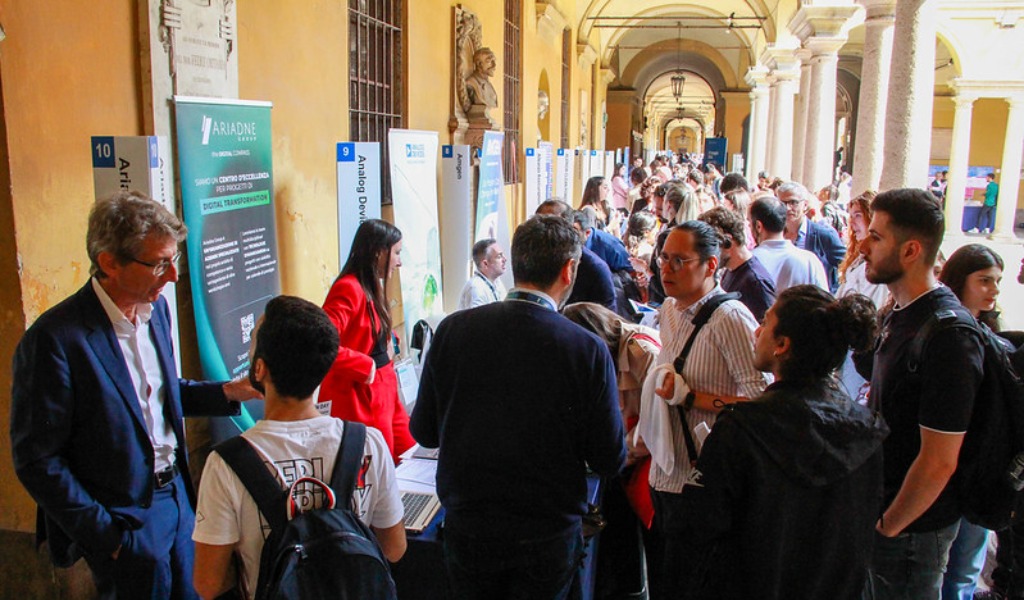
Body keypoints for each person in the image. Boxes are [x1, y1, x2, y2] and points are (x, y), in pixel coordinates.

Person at [11, 191, 259, 599]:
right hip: (123, 517)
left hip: (177, 499)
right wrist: (106, 536)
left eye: (173, 260)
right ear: (109, 262)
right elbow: (37, 459)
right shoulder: (55, 340)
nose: (173, 276)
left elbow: (156, 394)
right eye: (160, 263)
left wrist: (228, 392)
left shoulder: (154, 311)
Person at [410, 215, 626, 600]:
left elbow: (424, 432)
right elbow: (609, 457)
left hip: (468, 529)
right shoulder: (586, 349)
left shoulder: (453, 330)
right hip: (547, 536)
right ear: (569, 269)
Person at [677, 285, 888, 599]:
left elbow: (699, 525)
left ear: (782, 345)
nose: (757, 331)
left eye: (765, 322)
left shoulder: (741, 428)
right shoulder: (866, 429)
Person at [192, 295, 406, 599]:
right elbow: (394, 548)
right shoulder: (367, 442)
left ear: (260, 369)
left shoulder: (226, 462)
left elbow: (209, 582)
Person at [858, 188, 985, 599]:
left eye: (876, 237)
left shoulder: (948, 334)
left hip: (912, 533)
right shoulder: (900, 311)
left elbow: (938, 461)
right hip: (887, 513)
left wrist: (890, 525)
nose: (863, 244)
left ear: (911, 250)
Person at [641, 221, 769, 598]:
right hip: (664, 474)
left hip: (703, 484)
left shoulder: (730, 319)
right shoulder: (667, 309)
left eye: (679, 261)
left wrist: (694, 399)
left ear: (711, 265)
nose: (666, 269)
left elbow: (763, 405)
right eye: (663, 257)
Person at [562, 301, 661, 598]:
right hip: (624, 457)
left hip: (651, 466)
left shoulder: (642, 352)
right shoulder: (599, 354)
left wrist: (617, 452)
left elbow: (656, 426)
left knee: (653, 547)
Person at [937, 244, 1005, 600]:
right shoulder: (945, 332)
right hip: (949, 468)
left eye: (996, 281)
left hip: (980, 466)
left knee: (964, 568)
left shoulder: (992, 336)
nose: (993, 290)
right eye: (984, 281)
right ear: (959, 280)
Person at [320, 219, 415, 462]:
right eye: (396, 253)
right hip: (360, 398)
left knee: (408, 455)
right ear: (378, 252)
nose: (399, 261)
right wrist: (366, 367)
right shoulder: (348, 288)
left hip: (384, 390)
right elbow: (321, 341)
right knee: (376, 467)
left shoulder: (371, 286)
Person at [836, 191, 889, 403]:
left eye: (858, 215)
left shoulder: (879, 267)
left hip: (861, 342)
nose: (852, 222)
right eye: (850, 216)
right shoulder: (858, 258)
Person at [536, 199, 617, 311]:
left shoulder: (595, 269)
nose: (546, 232)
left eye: (553, 226)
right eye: (540, 225)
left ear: (569, 228)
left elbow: (606, 320)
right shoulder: (532, 258)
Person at [699, 206, 776, 322]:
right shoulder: (730, 270)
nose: (706, 254)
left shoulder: (756, 282)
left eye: (711, 247)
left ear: (727, 241)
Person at [749, 195, 830, 292]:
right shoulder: (810, 261)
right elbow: (825, 301)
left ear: (758, 226)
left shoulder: (750, 261)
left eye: (749, 222)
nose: (748, 226)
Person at [779, 181, 846, 292]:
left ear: (805, 205)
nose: (787, 208)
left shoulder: (824, 234)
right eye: (782, 203)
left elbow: (846, 264)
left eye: (793, 202)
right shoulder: (775, 233)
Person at [457, 238, 507, 310]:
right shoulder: (475, 287)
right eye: (499, 256)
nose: (505, 259)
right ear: (485, 264)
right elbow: (477, 320)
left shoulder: (497, 283)